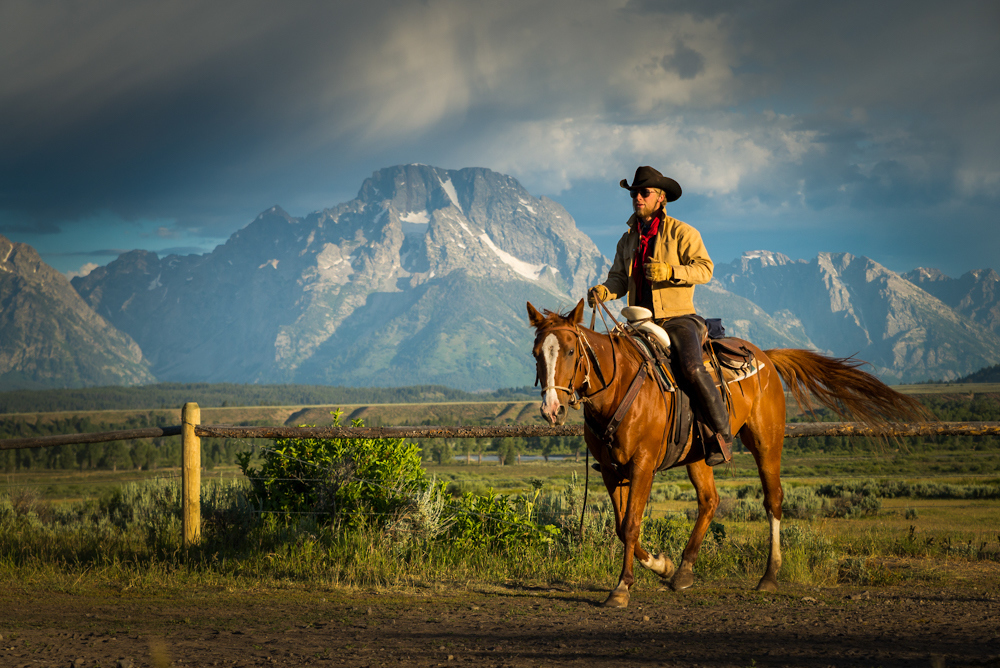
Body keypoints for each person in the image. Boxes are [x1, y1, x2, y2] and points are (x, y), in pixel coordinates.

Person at [587, 166, 732, 465]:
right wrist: (603, 290)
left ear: (661, 198)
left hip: (678, 318)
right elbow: (618, 279)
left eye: (644, 193)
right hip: (638, 321)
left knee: (692, 368)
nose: (637, 198)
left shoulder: (683, 232)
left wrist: (671, 272)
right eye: (634, 194)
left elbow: (705, 269)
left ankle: (721, 434)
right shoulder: (627, 240)